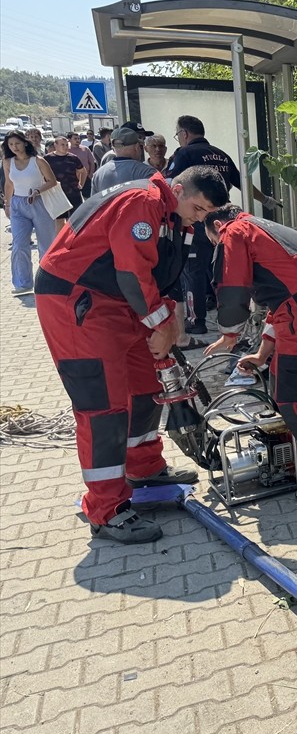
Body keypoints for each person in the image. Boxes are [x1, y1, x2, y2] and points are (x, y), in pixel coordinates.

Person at [33, 167, 228, 544]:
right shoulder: (143, 203)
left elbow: (165, 275)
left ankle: (144, 469)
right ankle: (107, 510)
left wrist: (168, 317)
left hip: (120, 302)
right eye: (199, 208)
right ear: (177, 189)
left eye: (206, 213)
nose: (201, 217)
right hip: (79, 299)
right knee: (103, 406)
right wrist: (161, 322)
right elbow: (132, 272)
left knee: (145, 386)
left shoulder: (174, 216)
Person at [203, 205, 297, 503]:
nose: (216, 245)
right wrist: (261, 355)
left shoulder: (234, 231)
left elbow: (233, 287)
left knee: (292, 399)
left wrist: (229, 334)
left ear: (218, 225)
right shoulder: (271, 230)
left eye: (212, 240)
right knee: (279, 385)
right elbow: (282, 305)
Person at [165, 115, 241, 336]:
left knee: (192, 271)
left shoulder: (184, 154)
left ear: (184, 134)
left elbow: (172, 184)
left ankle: (195, 320)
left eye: (177, 135)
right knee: (217, 266)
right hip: (222, 219)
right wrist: (265, 200)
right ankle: (224, 313)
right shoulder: (221, 155)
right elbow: (240, 181)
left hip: (197, 216)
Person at [2, 131, 59, 295]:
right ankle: (23, 283)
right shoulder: (7, 162)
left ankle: (47, 280)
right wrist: (7, 204)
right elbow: (8, 184)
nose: (14, 147)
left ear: (25, 143)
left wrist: (37, 191)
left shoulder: (38, 161)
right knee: (19, 244)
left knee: (46, 244)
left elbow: (52, 181)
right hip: (18, 204)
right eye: (11, 144)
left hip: (39, 202)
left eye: (17, 143)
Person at [91, 123, 157, 195]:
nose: (143, 144)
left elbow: (94, 203)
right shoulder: (146, 171)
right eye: (139, 138)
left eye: (143, 138)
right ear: (136, 146)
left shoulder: (98, 174)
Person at [44, 137, 86, 231]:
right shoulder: (48, 158)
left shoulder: (73, 158)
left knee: (74, 219)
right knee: (59, 219)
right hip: (57, 193)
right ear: (56, 145)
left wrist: (81, 184)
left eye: (66, 145)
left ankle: (73, 240)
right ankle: (60, 241)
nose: (65, 147)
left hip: (73, 192)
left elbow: (83, 171)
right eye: (62, 145)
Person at [67, 132, 97, 197]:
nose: (77, 140)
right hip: (72, 179)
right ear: (69, 140)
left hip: (86, 177)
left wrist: (91, 174)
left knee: (88, 197)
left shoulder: (85, 149)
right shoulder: (66, 150)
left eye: (78, 138)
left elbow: (92, 162)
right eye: (75, 139)